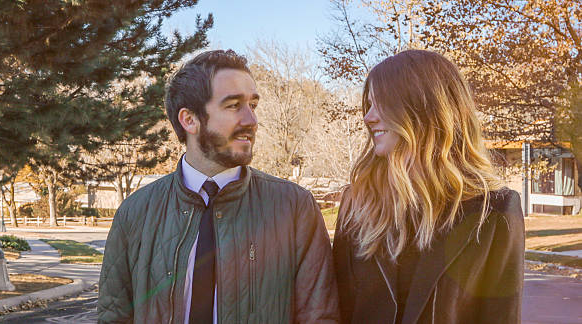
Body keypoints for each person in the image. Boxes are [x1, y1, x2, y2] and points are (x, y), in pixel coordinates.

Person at [97, 50, 339, 323]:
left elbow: (319, 316)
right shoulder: (134, 213)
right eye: (234, 105)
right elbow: (113, 317)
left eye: (253, 106)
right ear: (189, 120)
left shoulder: (294, 208)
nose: (251, 121)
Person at [333, 50, 524, 324]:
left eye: (381, 104)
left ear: (422, 106)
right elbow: (337, 309)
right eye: (369, 105)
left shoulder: (495, 210)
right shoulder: (357, 203)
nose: (368, 118)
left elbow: (501, 317)